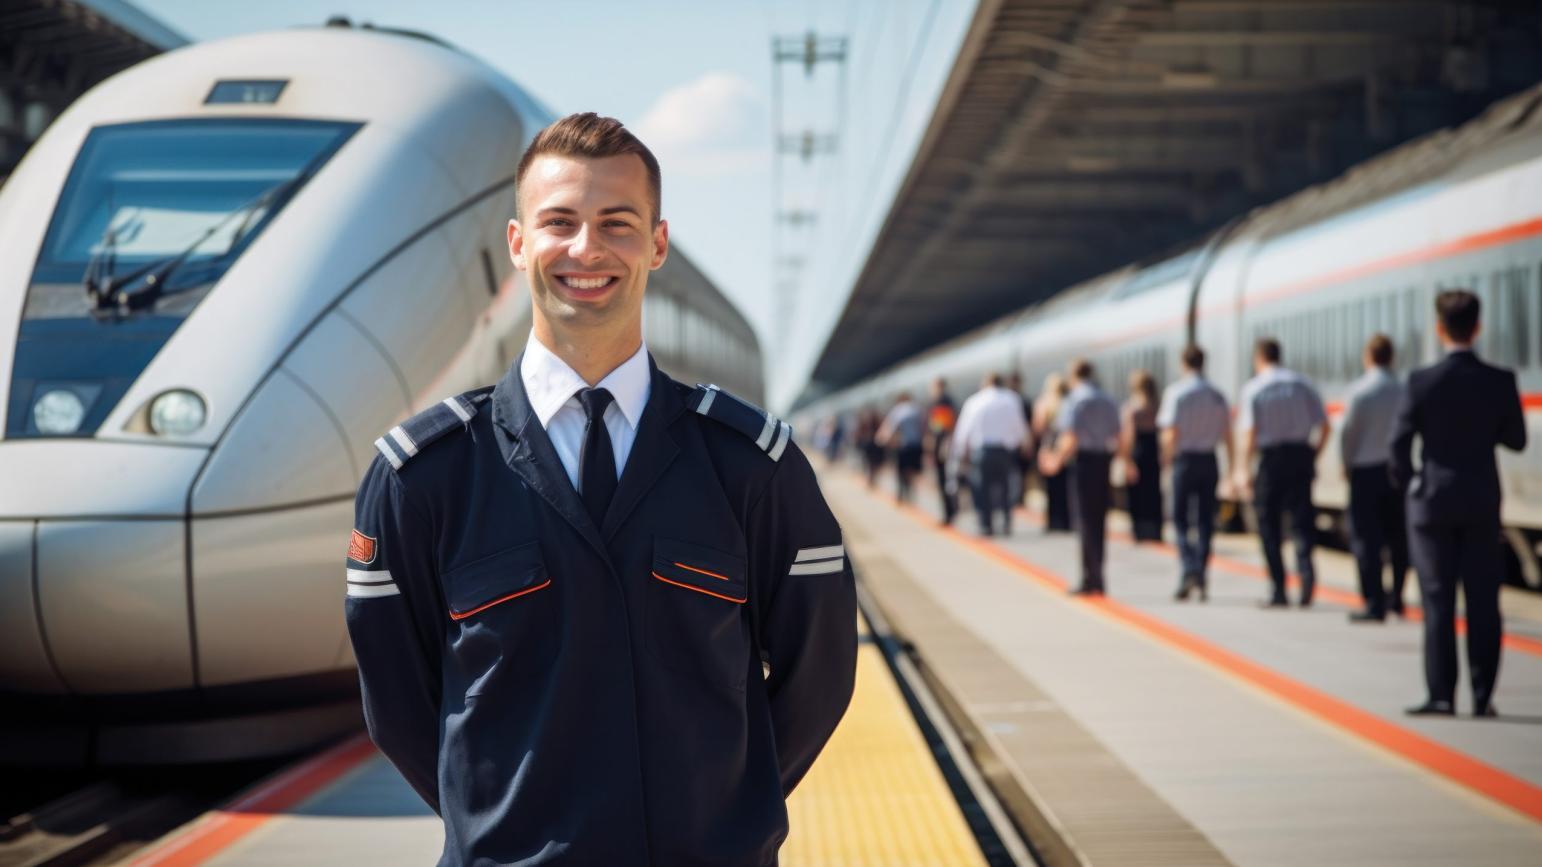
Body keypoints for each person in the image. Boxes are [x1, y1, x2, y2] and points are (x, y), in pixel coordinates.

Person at [344, 113, 857, 864]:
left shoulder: (752, 466)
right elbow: (397, 705)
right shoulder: (422, 477)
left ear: (657, 242)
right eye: (560, 222)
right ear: (518, 244)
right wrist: (501, 827)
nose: (587, 248)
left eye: (617, 223)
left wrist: (720, 812)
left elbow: (820, 675)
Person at [1392, 290, 1526, 718]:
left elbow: (1398, 444)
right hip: (1481, 500)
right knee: (1484, 600)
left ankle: (1441, 695)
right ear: (1478, 326)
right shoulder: (1500, 380)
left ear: (1439, 328)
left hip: (1432, 502)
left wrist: (1412, 483)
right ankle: (1483, 695)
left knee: (1438, 600)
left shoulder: (1421, 381)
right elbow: (1517, 440)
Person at [1235, 337, 1329, 608]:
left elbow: (1249, 434)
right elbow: (1324, 426)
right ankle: (1306, 575)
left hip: (1271, 460)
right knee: (1302, 521)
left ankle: (1279, 588)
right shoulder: (1302, 384)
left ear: (1259, 358)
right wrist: (1313, 454)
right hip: (1300, 456)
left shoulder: (1254, 388)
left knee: (1269, 525)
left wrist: (1243, 469)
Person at [1339, 334, 1409, 622]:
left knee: (1366, 540)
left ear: (1368, 356)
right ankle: (1398, 597)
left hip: (1365, 473)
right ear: (1391, 356)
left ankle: (1373, 601)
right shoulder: (1404, 389)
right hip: (1396, 471)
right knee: (1398, 539)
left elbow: (1348, 434)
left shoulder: (1359, 391)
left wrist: (1346, 464)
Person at [1157, 345, 1232, 602]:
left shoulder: (1176, 393)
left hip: (1185, 461)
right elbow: (1227, 434)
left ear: (1183, 363)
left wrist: (1166, 460)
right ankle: (1201, 572)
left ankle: (1189, 568)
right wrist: (1231, 467)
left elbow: (1170, 433)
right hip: (1209, 460)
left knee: (1179, 519)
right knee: (1205, 521)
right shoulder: (1217, 395)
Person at [1043, 359, 1121, 595]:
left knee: (1084, 520)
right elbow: (1118, 432)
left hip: (1083, 463)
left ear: (1073, 375)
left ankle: (1089, 578)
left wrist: (1056, 459)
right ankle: (1099, 575)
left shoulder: (1074, 400)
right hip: (1102, 461)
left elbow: (1070, 436)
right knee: (1099, 520)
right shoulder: (1108, 400)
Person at [951, 372, 1032, 536]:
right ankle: (1006, 522)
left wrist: (960, 453)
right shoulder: (1011, 399)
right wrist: (1026, 445)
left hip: (981, 452)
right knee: (1005, 488)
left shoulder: (974, 401)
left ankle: (986, 524)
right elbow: (1019, 426)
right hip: (1005, 451)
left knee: (981, 488)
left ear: (985, 384)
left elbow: (963, 431)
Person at [1121, 369, 1164, 542]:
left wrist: (1127, 460)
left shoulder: (1132, 408)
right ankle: (1154, 529)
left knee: (1136, 493)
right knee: (1153, 492)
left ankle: (1140, 530)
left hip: (1138, 452)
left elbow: (1128, 437)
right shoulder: (1158, 406)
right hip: (1153, 452)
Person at [1033, 373, 1073, 532]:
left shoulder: (1044, 404)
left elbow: (1038, 428)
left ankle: (1053, 521)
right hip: (1064, 445)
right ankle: (1066, 520)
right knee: (1065, 485)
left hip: (1049, 446)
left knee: (1050, 486)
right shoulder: (1069, 403)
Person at [878, 392, 925, 502]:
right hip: (916, 444)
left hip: (903, 445)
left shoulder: (898, 410)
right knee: (913, 470)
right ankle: (912, 493)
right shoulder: (917, 409)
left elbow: (890, 427)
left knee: (901, 470)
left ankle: (902, 493)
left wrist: (883, 439)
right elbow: (923, 426)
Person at [926, 376, 960, 525]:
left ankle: (949, 513)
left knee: (944, 480)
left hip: (943, 445)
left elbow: (941, 426)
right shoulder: (948, 401)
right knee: (949, 479)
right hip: (947, 444)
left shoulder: (941, 402)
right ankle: (951, 511)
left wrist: (938, 443)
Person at [1006, 372, 1035, 507]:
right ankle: (1017, 498)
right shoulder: (1023, 401)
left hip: (1009, 444)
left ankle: (1014, 498)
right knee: (1018, 472)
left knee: (1013, 472)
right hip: (1018, 442)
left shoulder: (1008, 401)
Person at [854, 407, 883, 488]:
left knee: (871, 464)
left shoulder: (865, 424)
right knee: (873, 464)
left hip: (870, 446)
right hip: (873, 446)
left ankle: (871, 480)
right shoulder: (876, 423)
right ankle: (871, 480)